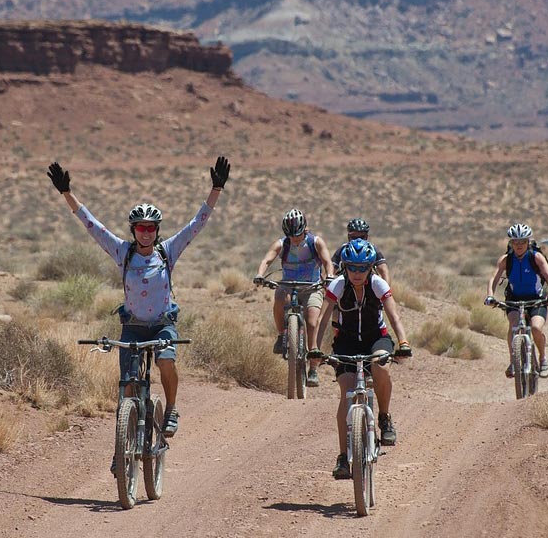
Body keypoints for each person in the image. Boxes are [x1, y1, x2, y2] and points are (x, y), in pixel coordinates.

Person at [47, 156, 230, 445]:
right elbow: (92, 225)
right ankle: (124, 449)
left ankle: (170, 409)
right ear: (133, 230)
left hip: (162, 325)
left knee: (166, 361)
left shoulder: (167, 251)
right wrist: (66, 192)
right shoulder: (122, 252)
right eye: (140, 228)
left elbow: (197, 223)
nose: (146, 232)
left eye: (151, 227)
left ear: (157, 230)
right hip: (132, 327)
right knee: (128, 387)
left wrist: (216, 189)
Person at [310, 238, 411, 479]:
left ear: (370, 267)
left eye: (362, 267)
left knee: (381, 366)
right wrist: (314, 348)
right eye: (352, 267)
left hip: (376, 338)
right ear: (345, 267)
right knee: (346, 395)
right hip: (345, 341)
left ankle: (384, 418)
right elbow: (323, 319)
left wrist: (404, 342)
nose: (357, 273)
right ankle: (344, 457)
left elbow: (393, 315)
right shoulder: (337, 285)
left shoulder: (377, 284)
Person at [253, 208, 335, 388]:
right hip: (289, 284)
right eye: (291, 235)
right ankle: (282, 335)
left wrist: (329, 276)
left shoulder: (315, 242)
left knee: (312, 322)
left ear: (304, 228)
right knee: (279, 297)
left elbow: (328, 262)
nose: (294, 239)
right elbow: (267, 260)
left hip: (312, 287)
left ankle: (313, 367)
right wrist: (260, 274)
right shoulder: (283, 244)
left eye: (297, 235)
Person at [485, 223, 548, 379]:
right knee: (513, 325)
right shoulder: (506, 259)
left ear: (528, 242)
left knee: (536, 328)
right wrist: (490, 295)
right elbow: (494, 278)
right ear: (511, 243)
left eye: (522, 242)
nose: (519, 245)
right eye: (515, 242)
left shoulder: (536, 257)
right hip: (514, 299)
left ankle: (543, 359)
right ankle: (513, 362)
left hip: (537, 299)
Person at [331, 218, 390, 282]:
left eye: (362, 237)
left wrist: (386, 288)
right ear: (348, 237)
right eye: (354, 237)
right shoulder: (343, 249)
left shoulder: (372, 250)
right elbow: (330, 270)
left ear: (366, 237)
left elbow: (384, 271)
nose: (358, 240)